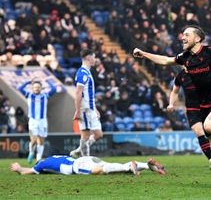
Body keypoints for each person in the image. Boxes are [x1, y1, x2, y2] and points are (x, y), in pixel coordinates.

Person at [133, 25, 211, 189]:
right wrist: (144, 54)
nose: (183, 37)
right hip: (203, 106)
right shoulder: (185, 57)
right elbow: (165, 60)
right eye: (182, 34)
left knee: (209, 127)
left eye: (187, 34)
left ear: (198, 38)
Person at [167, 69, 211, 169]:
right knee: (199, 132)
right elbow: (174, 91)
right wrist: (171, 104)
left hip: (206, 108)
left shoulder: (201, 70)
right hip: (192, 110)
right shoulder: (180, 76)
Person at [70, 49, 103, 157]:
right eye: (94, 57)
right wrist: (78, 110)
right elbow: (78, 92)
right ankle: (85, 161)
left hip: (90, 107)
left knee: (98, 134)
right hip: (85, 109)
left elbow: (87, 93)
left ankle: (80, 150)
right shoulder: (82, 73)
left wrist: (95, 108)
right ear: (89, 57)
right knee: (85, 135)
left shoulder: (87, 72)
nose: (95, 59)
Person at [18, 79, 57, 164]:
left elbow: (54, 89)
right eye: (35, 87)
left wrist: (49, 82)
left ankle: (38, 159)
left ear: (41, 88)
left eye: (38, 87)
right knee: (33, 140)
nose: (36, 89)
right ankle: (31, 152)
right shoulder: (29, 95)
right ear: (32, 88)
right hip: (33, 121)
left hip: (43, 121)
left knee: (41, 141)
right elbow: (20, 88)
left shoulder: (45, 95)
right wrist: (28, 82)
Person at [10, 155, 166, 176]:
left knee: (95, 171)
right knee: (111, 166)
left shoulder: (41, 165)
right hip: (84, 158)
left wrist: (18, 168)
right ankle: (146, 165)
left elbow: (27, 171)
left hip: (77, 166)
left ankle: (129, 167)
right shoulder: (52, 157)